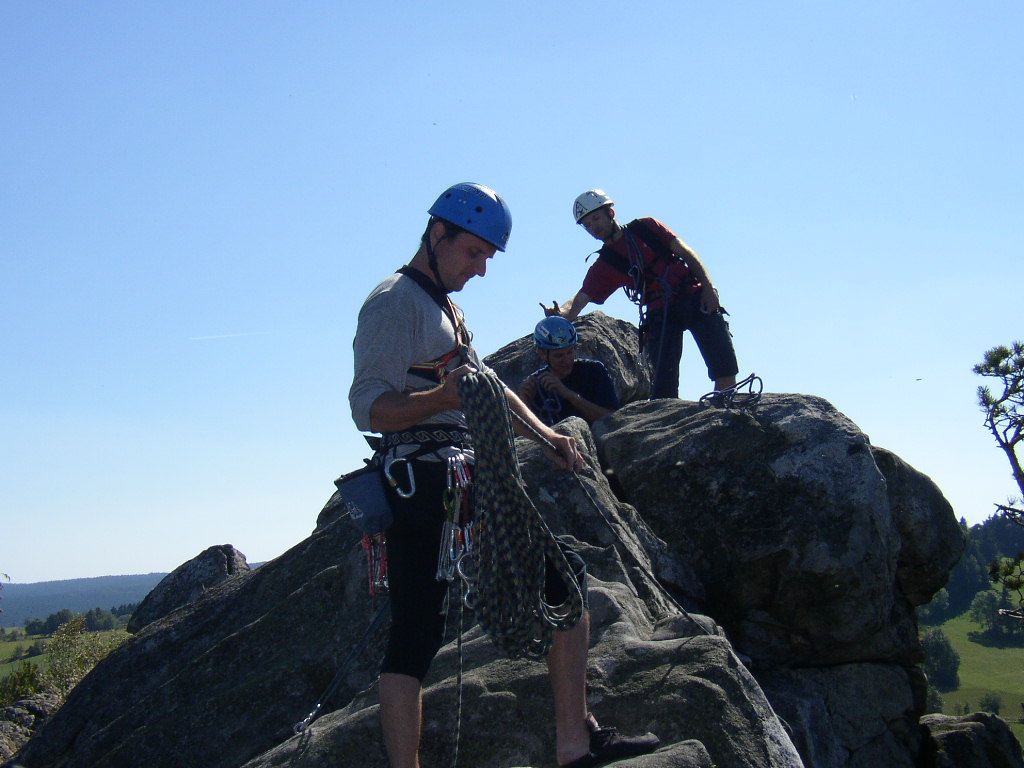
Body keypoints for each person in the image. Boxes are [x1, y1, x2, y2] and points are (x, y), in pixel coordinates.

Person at [348, 182, 659, 768]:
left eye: (488, 256)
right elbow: (369, 407)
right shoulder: (394, 303)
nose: (482, 269)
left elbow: (485, 389)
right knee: (422, 632)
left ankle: (575, 742)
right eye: (474, 252)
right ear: (438, 234)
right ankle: (571, 746)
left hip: (451, 478)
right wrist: (441, 400)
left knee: (547, 594)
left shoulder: (445, 309)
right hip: (423, 483)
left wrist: (547, 437)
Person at [543, 189, 739, 400]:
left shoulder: (646, 227)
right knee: (663, 386)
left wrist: (709, 288)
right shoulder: (605, 265)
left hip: (693, 296)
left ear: (611, 213)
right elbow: (581, 299)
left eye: (596, 219)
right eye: (587, 225)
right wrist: (561, 314)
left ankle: (724, 407)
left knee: (724, 365)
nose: (593, 227)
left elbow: (686, 253)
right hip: (660, 312)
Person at [518, 316, 620, 426]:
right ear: (542, 353)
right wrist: (524, 404)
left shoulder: (594, 371)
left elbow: (613, 418)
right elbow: (527, 431)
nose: (566, 360)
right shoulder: (536, 386)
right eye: (559, 356)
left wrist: (568, 394)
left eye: (570, 352)